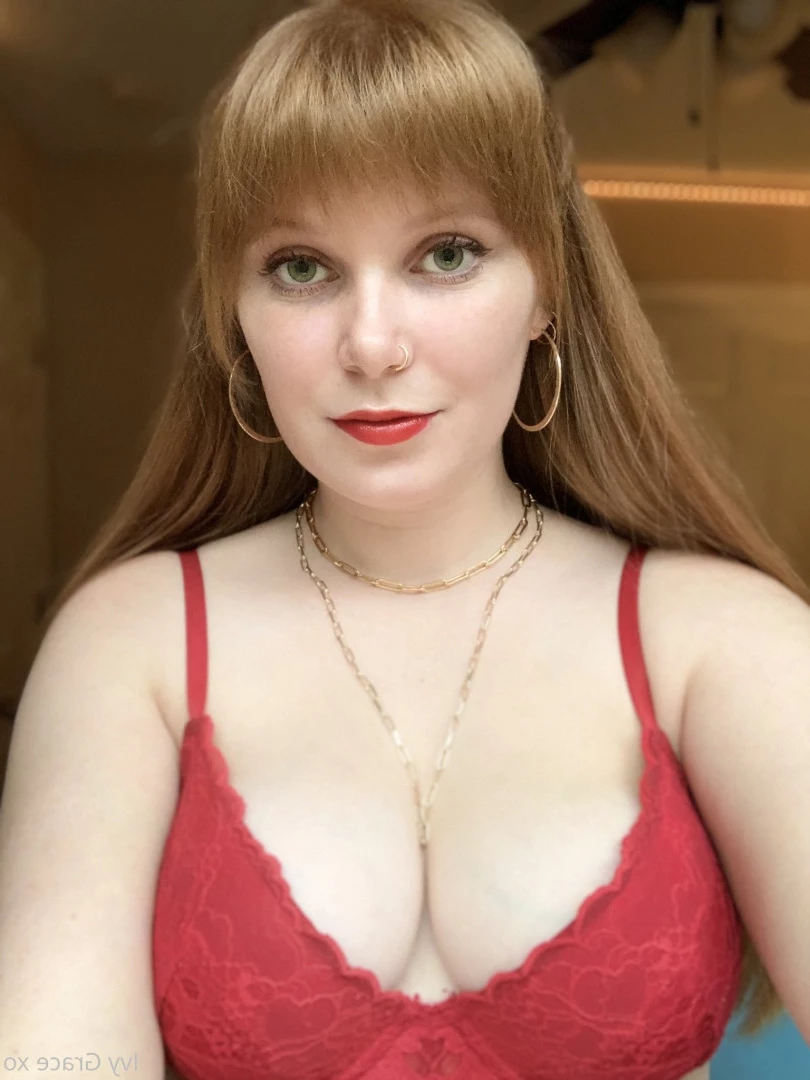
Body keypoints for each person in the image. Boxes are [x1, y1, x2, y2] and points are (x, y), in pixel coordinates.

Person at [1, 0, 808, 1077]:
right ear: (235, 316)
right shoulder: (128, 642)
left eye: (447, 253)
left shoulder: (724, 641)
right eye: (301, 267)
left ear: (546, 290)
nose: (373, 344)